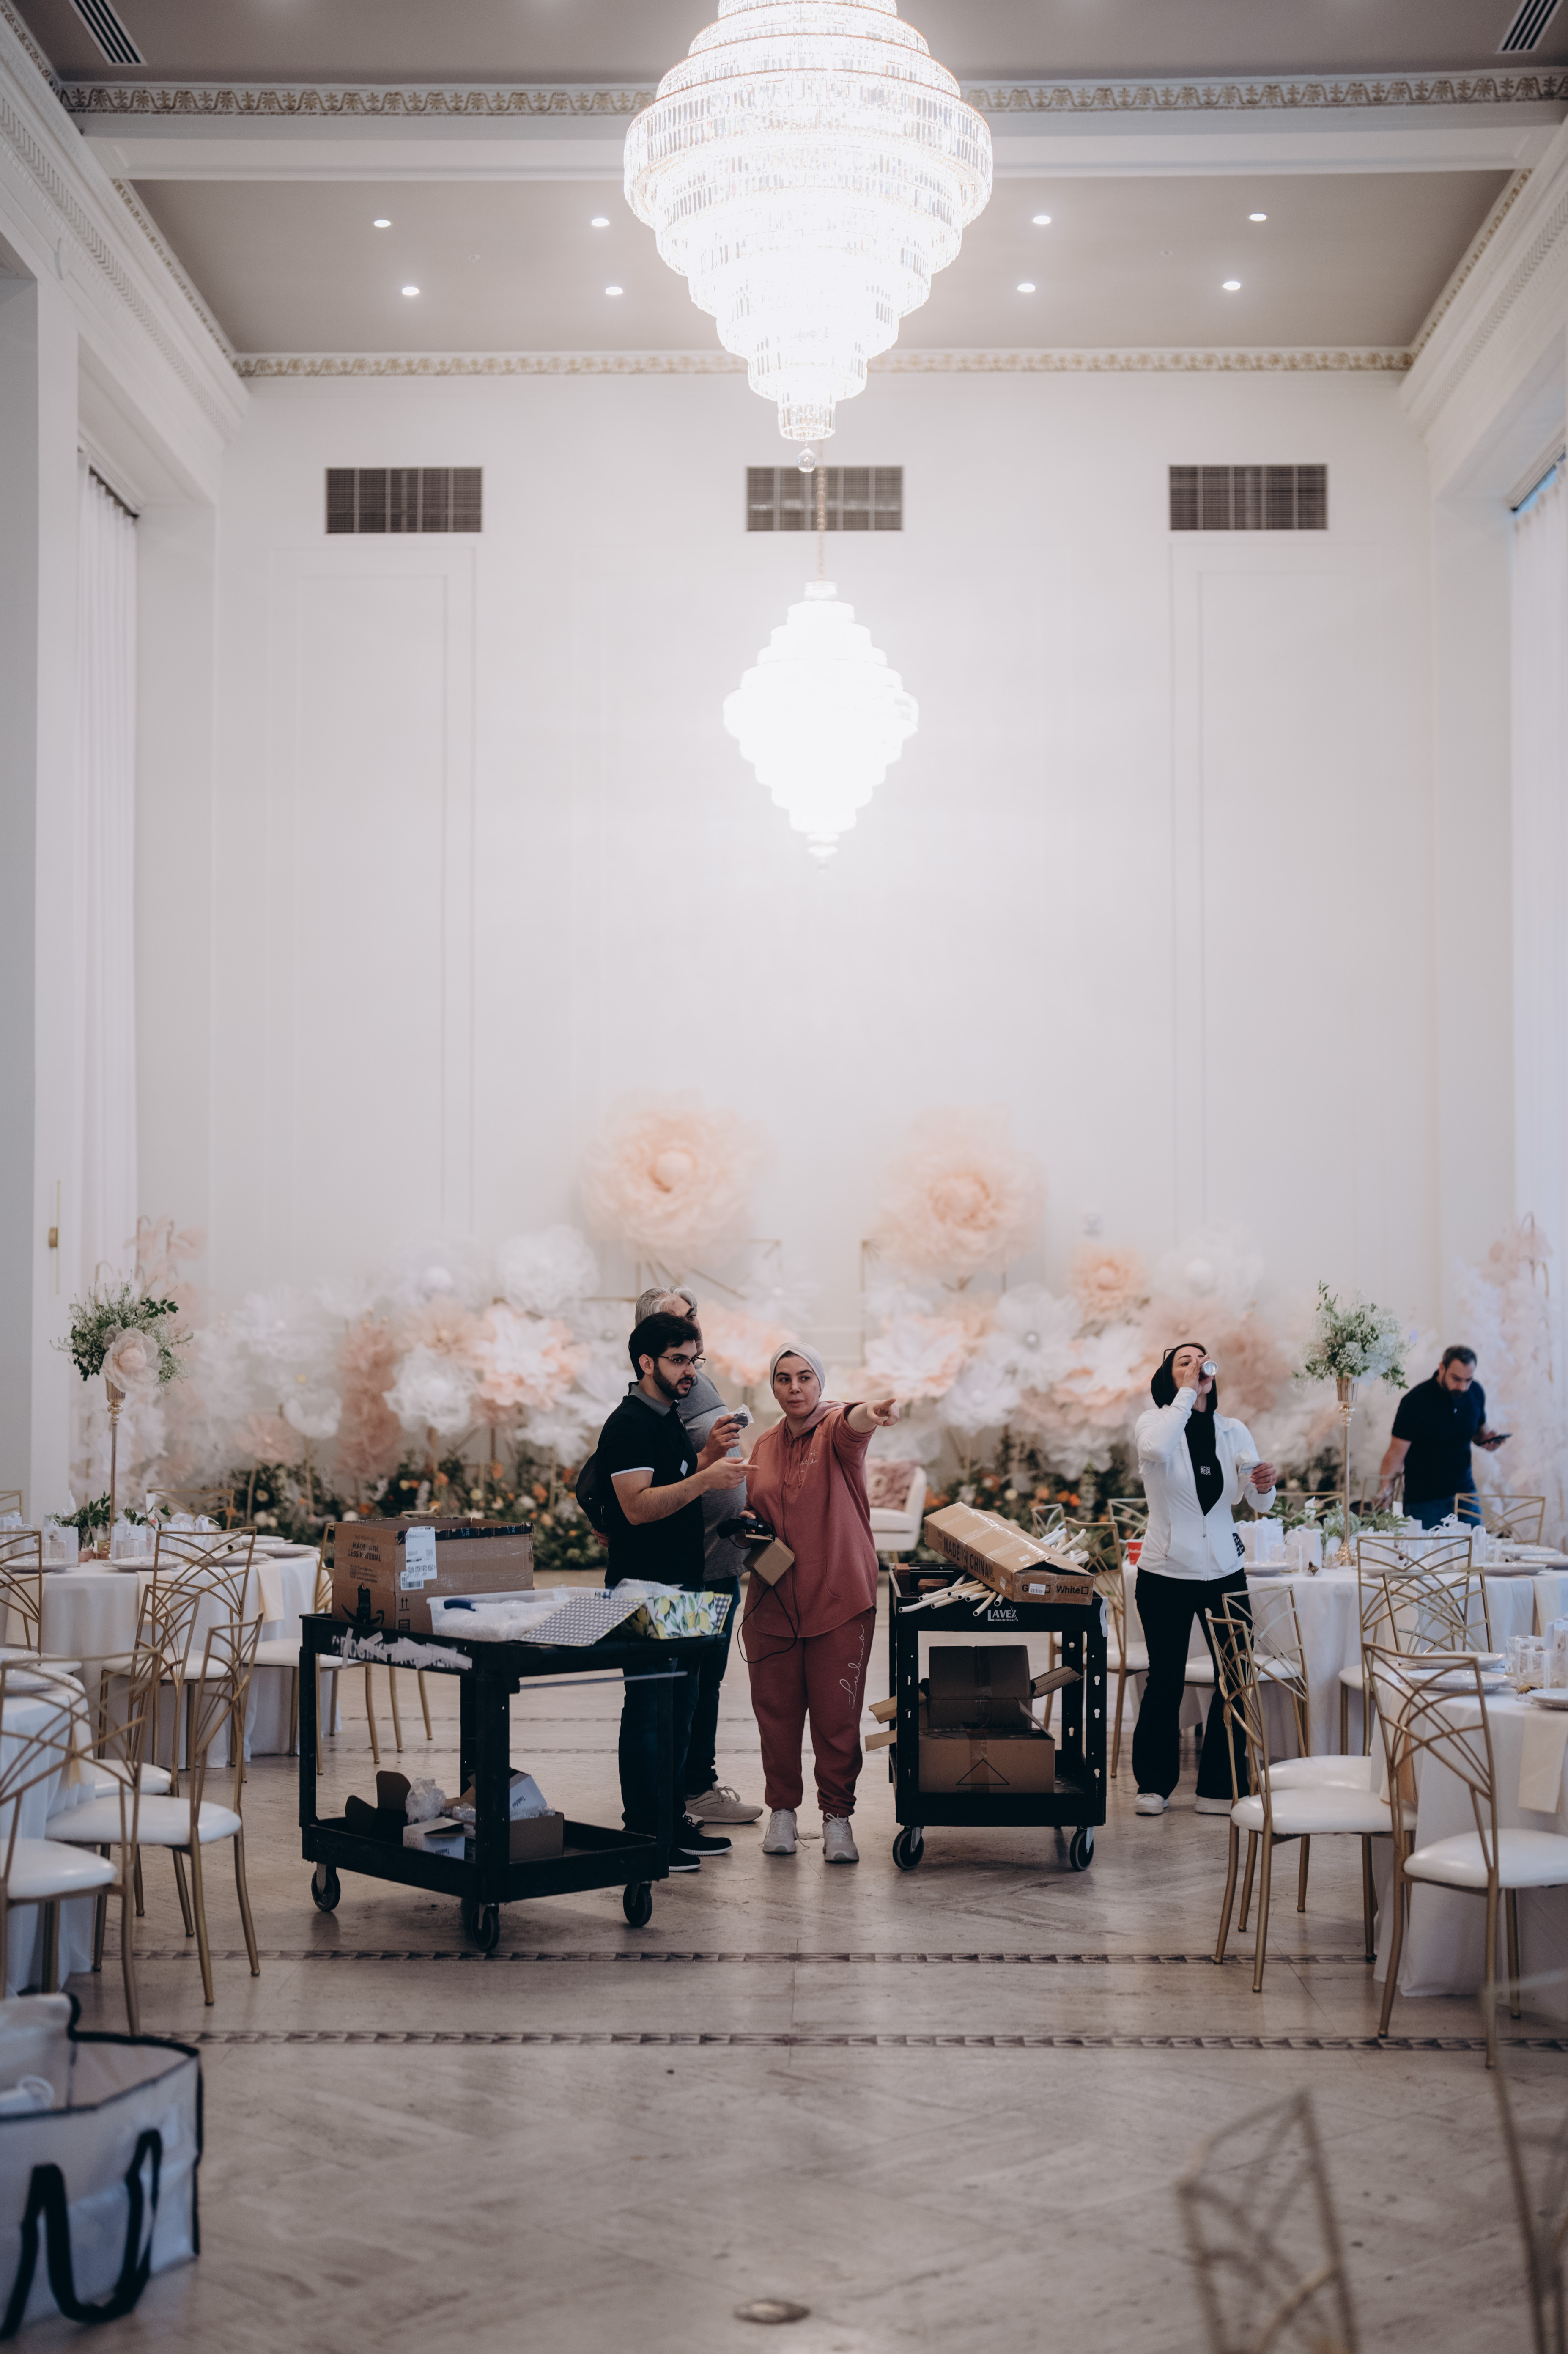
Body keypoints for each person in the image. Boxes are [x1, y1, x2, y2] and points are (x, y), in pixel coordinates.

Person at [595, 1311, 749, 1871]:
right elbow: (638, 1507)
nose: (690, 1371)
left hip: (682, 1588)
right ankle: (646, 1830)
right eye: (679, 1360)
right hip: (646, 1590)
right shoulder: (630, 1424)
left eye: (695, 1360)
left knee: (680, 1707)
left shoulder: (665, 1419)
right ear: (646, 1362)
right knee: (651, 1711)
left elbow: (671, 1479)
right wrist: (706, 1478)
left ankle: (669, 1818)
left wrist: (708, 1457)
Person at [740, 1344, 901, 1865]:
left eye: (805, 1377)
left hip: (838, 1598)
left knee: (837, 1718)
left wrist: (872, 1412)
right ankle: (782, 1812)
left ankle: (837, 1817)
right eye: (784, 1378)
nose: (795, 1388)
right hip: (774, 1602)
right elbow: (752, 1506)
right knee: (776, 1716)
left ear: (821, 1383)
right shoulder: (763, 1445)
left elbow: (856, 1424)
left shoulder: (835, 1429)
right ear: (773, 1387)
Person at [1131, 1343, 1277, 1820]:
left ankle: (1219, 1784)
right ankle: (1154, 1785)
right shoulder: (1153, 1423)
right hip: (1166, 1572)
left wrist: (1265, 1484)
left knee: (1236, 1675)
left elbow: (1258, 1503)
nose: (1197, 1366)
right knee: (1166, 1678)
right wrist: (1185, 1395)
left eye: (1202, 1359)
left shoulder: (1233, 1430)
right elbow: (1158, 1449)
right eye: (1184, 1361)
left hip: (1224, 1571)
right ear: (1169, 1375)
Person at [634, 1285, 761, 1825]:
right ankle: (680, 1796)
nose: (690, 1331)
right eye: (676, 1325)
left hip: (717, 1557)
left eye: (692, 1319)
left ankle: (689, 1788)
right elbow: (652, 1469)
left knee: (703, 1682)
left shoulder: (690, 1381)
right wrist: (708, 1460)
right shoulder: (650, 1402)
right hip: (692, 1565)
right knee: (685, 1687)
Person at [1375, 1345, 1507, 1527]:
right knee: (1426, 1547)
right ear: (1442, 1368)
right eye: (1456, 1379)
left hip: (1465, 1492)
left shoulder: (1476, 1392)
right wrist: (1385, 1490)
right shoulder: (1415, 1401)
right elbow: (1396, 1454)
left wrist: (1488, 1441)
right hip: (1424, 1499)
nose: (1463, 1387)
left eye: (1468, 1380)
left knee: (1475, 1544)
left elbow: (1479, 1433)